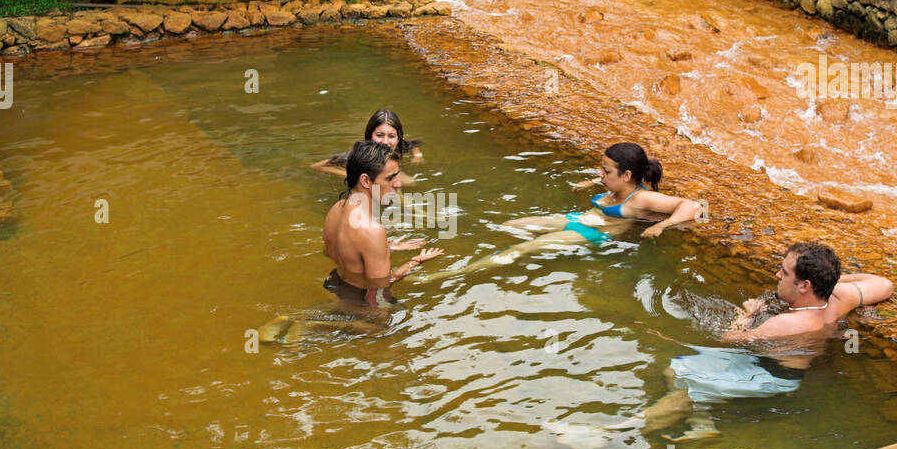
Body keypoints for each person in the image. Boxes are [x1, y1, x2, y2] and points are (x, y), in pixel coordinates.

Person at [641, 242, 894, 441]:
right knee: (675, 369)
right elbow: (884, 284)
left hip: (768, 377)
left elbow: (728, 338)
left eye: (784, 272)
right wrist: (828, 281)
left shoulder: (787, 324)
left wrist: (747, 314)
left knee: (686, 391)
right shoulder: (840, 298)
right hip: (771, 364)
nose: (777, 274)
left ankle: (622, 433)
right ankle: (703, 425)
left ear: (804, 286)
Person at [418, 141, 702, 282]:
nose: (599, 174)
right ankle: (465, 247)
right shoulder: (618, 186)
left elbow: (694, 206)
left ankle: (444, 276)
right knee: (510, 224)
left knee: (519, 250)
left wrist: (662, 226)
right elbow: (609, 184)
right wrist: (592, 182)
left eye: (604, 171)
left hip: (591, 233)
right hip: (575, 219)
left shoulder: (643, 200)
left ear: (627, 175)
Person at [261, 141, 442, 342]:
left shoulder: (337, 208)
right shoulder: (372, 231)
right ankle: (309, 325)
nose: (398, 184)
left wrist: (386, 248)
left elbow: (330, 252)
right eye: (391, 178)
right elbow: (378, 291)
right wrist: (415, 262)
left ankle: (300, 320)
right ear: (365, 181)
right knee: (388, 329)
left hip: (335, 284)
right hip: (361, 301)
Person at [311, 109, 424, 185]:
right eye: (379, 135)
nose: (385, 142)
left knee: (410, 182)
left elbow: (414, 144)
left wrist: (417, 155)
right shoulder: (356, 155)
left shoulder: (397, 147)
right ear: (369, 136)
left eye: (391, 136)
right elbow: (317, 166)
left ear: (398, 138)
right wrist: (351, 175)